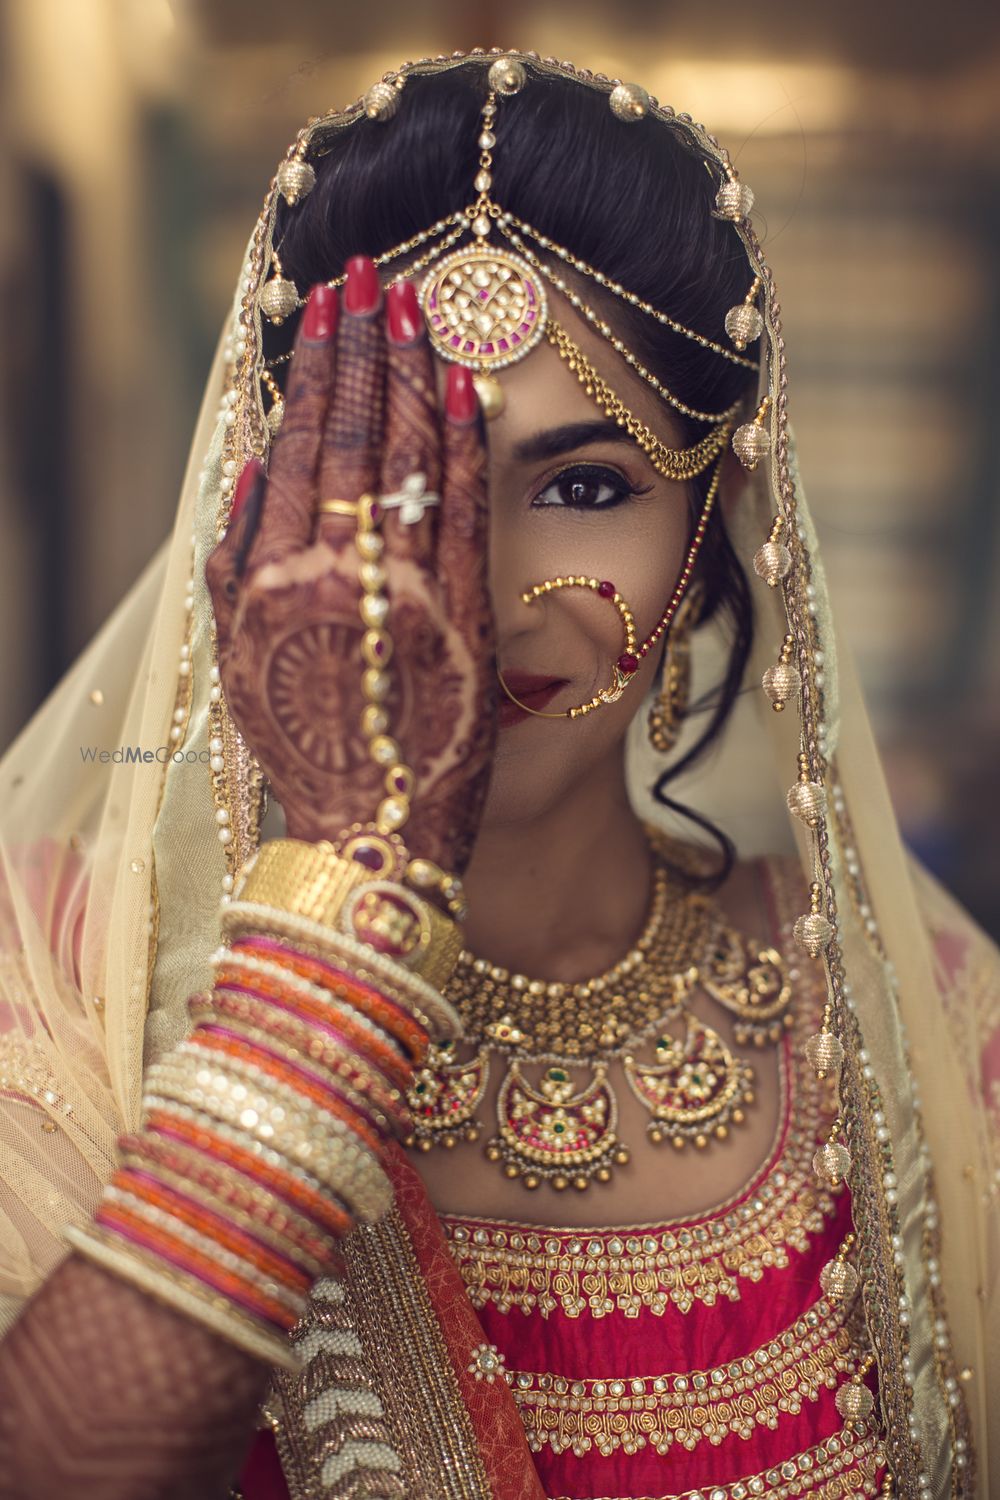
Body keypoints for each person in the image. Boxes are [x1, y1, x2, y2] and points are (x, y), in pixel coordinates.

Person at [0, 49, 996, 1500]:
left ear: (714, 529)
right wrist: (343, 903)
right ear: (261, 519)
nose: (468, 590)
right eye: (392, 486)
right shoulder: (63, 986)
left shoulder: (918, 1029)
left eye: (585, 488)